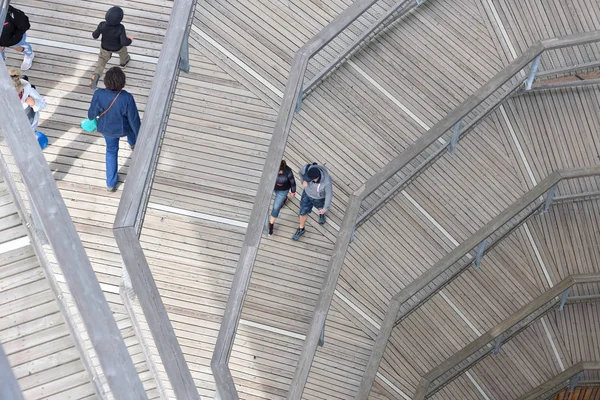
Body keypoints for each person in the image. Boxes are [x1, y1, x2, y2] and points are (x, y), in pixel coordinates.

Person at [87, 67, 140, 192]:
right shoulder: (127, 98)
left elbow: (91, 115)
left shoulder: (98, 94)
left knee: (111, 151)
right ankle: (133, 144)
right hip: (124, 128)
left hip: (107, 129)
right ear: (122, 82)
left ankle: (111, 183)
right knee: (132, 130)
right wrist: (140, 135)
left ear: (106, 81)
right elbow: (134, 120)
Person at [89, 6, 133, 89]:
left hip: (105, 47)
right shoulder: (120, 28)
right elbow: (124, 42)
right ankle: (124, 62)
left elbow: (95, 36)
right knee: (123, 52)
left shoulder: (102, 25)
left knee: (102, 61)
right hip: (118, 47)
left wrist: (95, 32)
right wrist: (130, 40)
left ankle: (96, 75)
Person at [292, 163, 333, 241]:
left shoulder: (327, 182)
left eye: (308, 179)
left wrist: (325, 209)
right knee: (302, 212)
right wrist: (303, 180)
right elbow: (300, 172)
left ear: (316, 178)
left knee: (320, 208)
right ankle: (301, 229)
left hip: (319, 198)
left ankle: (322, 214)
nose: (307, 180)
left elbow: (329, 195)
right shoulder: (307, 168)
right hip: (306, 194)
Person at [0, 6, 34, 70]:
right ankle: (2, 63)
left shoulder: (9, 12)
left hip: (15, 40)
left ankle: (29, 55)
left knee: (24, 48)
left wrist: (14, 41)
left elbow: (24, 25)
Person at [268, 160, 296, 236]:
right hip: (272, 187)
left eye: (280, 171)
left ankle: (271, 224)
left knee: (276, 207)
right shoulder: (270, 168)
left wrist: (293, 191)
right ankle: (283, 199)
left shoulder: (288, 171)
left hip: (283, 190)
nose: (279, 172)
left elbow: (292, 181)